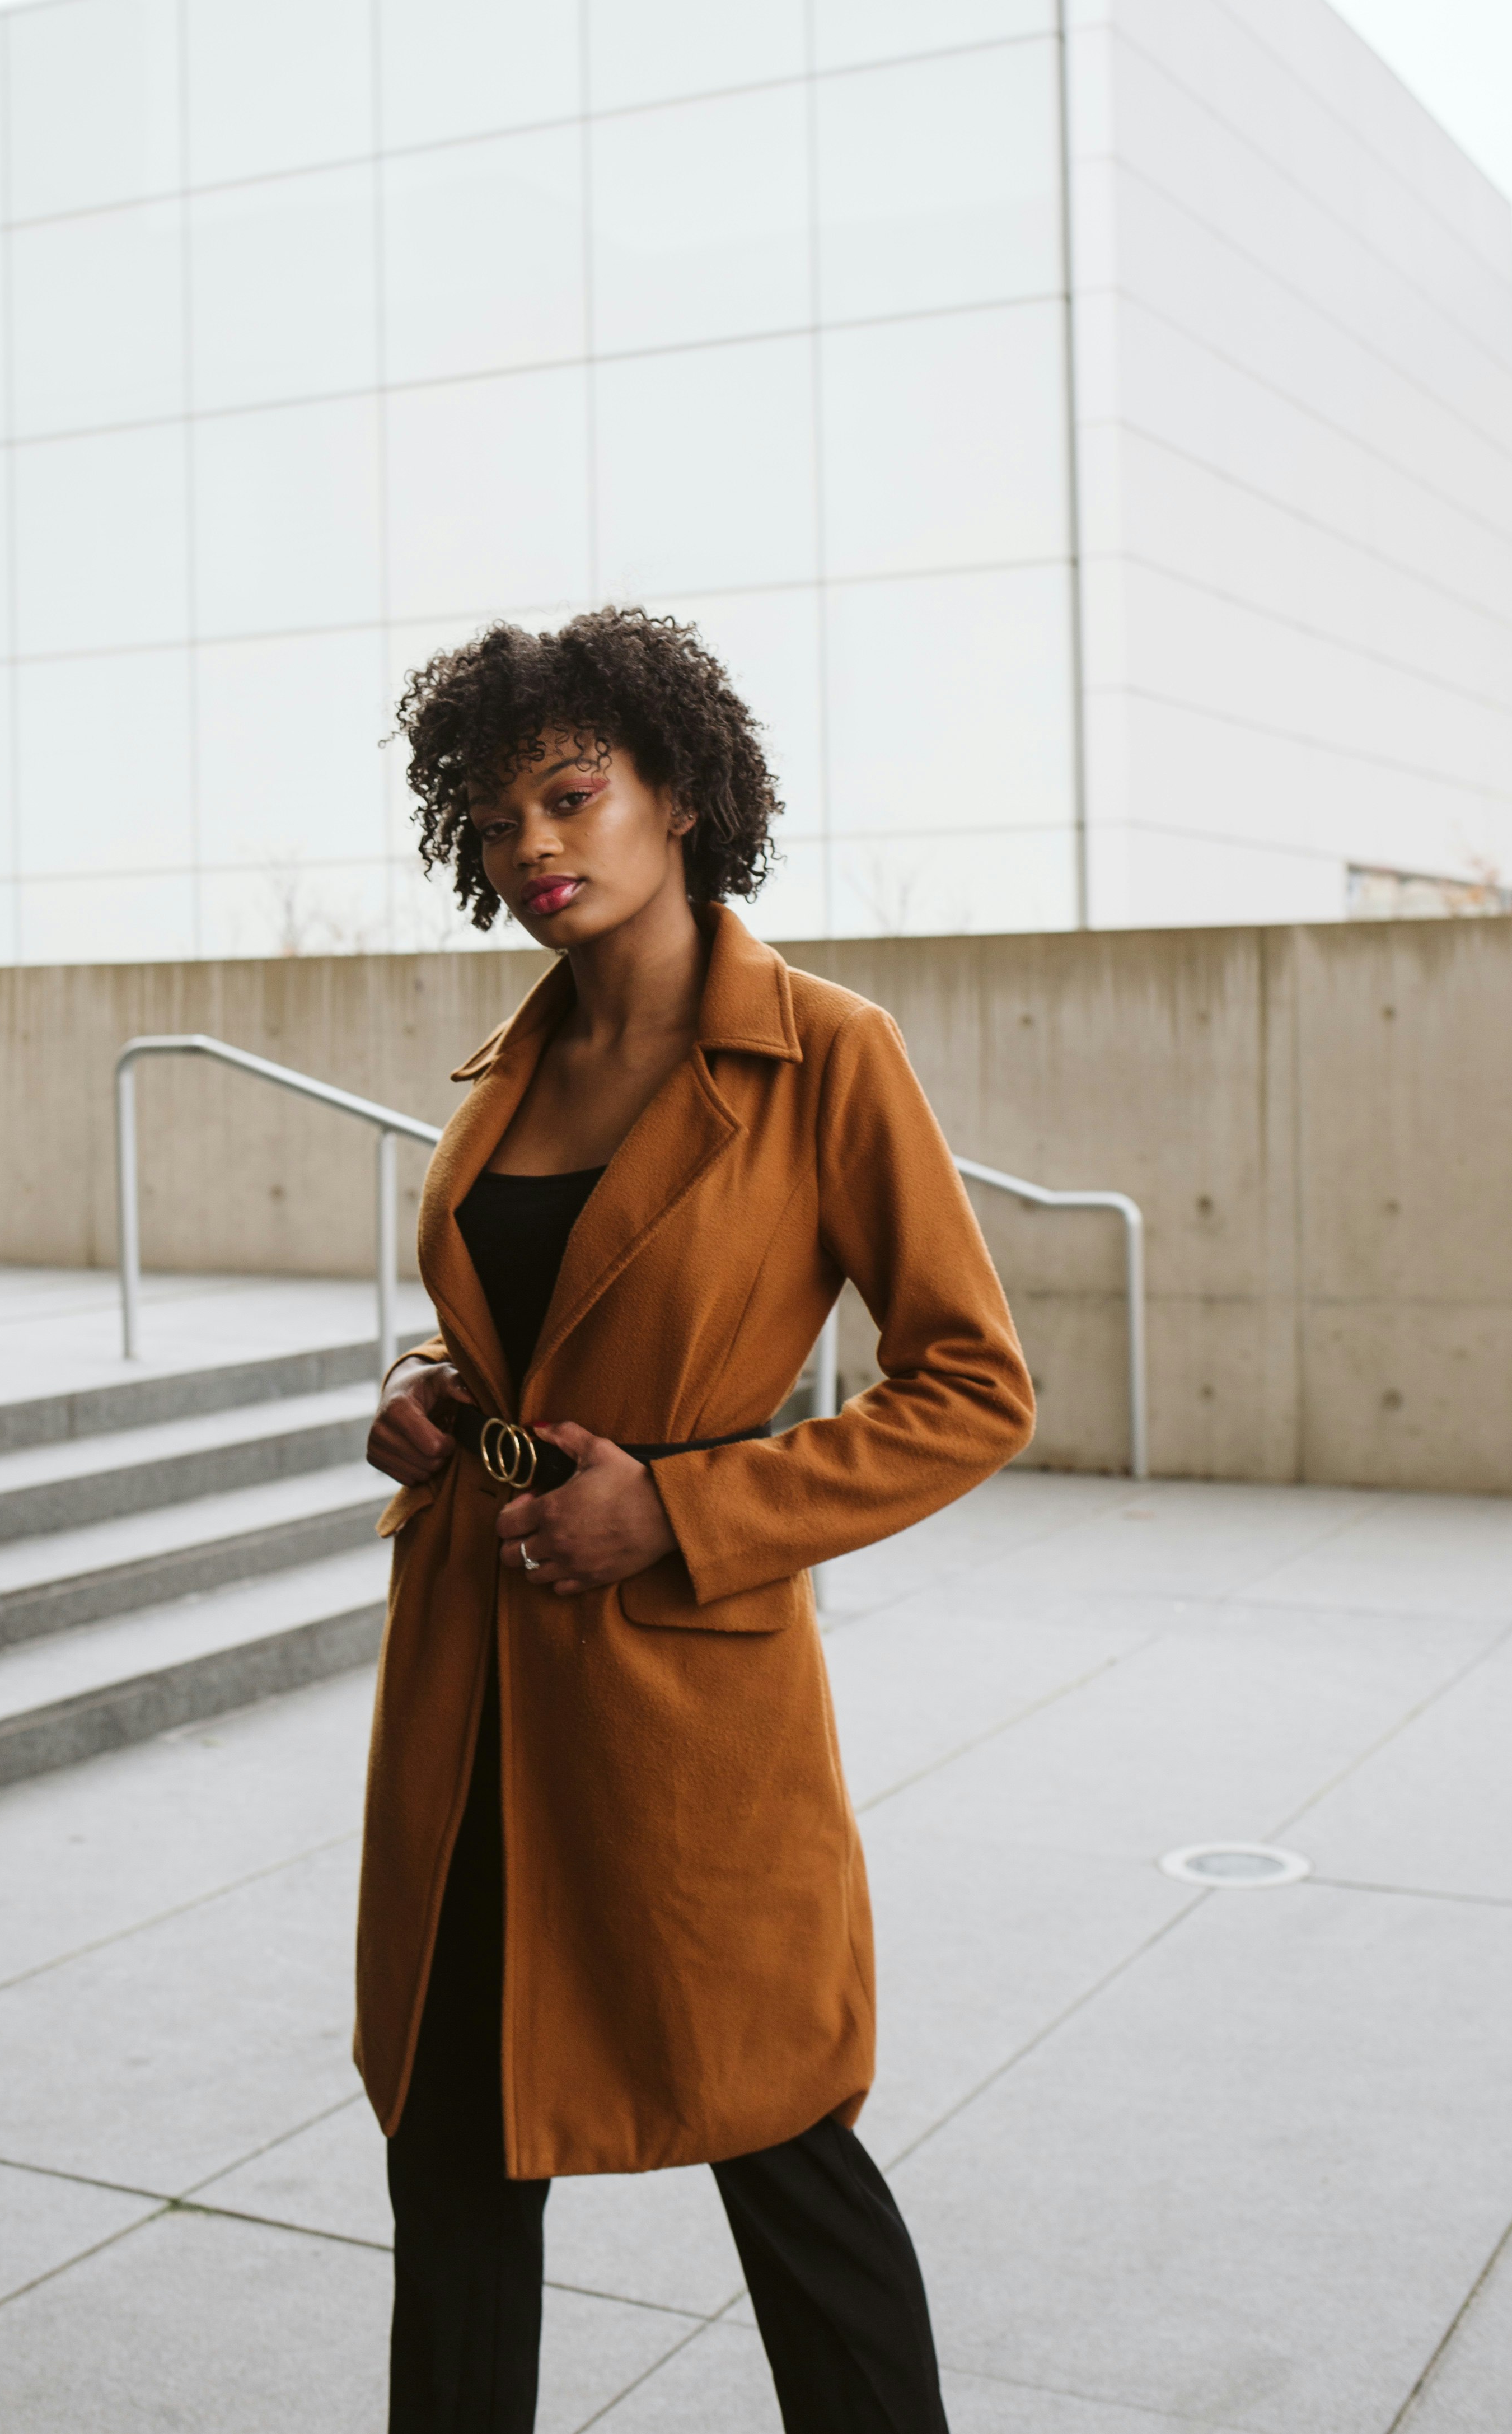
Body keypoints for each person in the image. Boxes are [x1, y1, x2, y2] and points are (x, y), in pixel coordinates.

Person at [360, 608, 1034, 2432]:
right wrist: (435, 1391)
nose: (536, 849)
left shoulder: (826, 1056)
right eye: (497, 821)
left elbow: (975, 1385)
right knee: (452, 2158)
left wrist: (678, 1509)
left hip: (677, 1696)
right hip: (471, 1676)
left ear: (680, 794)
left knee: (783, 2150)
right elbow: (532, 1310)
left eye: (572, 795)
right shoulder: (507, 1067)